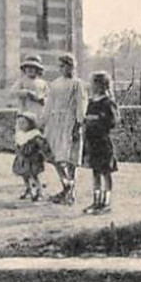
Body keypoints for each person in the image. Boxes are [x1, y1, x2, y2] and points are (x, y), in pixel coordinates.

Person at [43, 52, 88, 205]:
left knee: (70, 158)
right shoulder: (54, 84)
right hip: (56, 122)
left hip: (70, 122)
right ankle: (66, 186)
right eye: (62, 66)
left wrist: (78, 124)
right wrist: (44, 121)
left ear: (73, 67)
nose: (65, 69)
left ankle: (71, 192)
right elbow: (49, 104)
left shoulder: (78, 84)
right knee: (55, 156)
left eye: (68, 66)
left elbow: (81, 105)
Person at [83, 70, 119, 214]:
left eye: (93, 84)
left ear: (100, 85)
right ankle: (96, 201)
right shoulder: (91, 102)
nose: (91, 86)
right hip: (92, 141)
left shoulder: (108, 102)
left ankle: (107, 202)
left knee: (106, 172)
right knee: (95, 172)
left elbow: (113, 121)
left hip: (103, 141)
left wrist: (97, 120)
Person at [12, 111, 51, 201]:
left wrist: (44, 153)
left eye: (24, 123)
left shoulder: (35, 134)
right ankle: (28, 189)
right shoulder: (20, 134)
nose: (21, 125)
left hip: (33, 158)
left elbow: (42, 145)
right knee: (24, 176)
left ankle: (38, 192)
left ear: (30, 124)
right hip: (22, 158)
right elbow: (17, 145)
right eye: (19, 123)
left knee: (33, 176)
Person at [10, 54, 49, 131]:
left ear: (38, 70)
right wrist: (26, 93)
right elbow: (12, 93)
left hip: (39, 113)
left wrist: (42, 99)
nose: (30, 70)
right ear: (24, 69)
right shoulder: (22, 81)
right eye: (28, 67)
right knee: (24, 135)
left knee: (38, 134)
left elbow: (49, 97)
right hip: (25, 112)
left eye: (33, 68)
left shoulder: (43, 83)